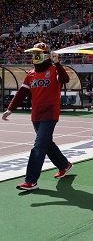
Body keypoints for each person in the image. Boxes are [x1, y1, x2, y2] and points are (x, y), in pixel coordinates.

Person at [2, 43, 73, 190]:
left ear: (46, 55)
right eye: (33, 54)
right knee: (46, 144)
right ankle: (64, 165)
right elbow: (22, 92)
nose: (35, 57)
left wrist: (58, 62)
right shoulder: (31, 74)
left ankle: (30, 180)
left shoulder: (54, 70)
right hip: (36, 115)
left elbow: (65, 80)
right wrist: (11, 109)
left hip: (50, 113)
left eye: (38, 54)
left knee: (39, 146)